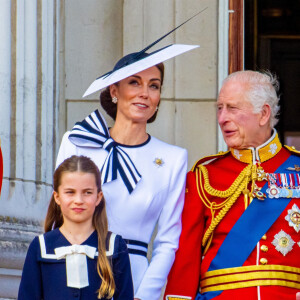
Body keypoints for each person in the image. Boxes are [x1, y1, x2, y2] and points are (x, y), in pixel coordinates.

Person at [55, 43, 194, 300]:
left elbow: (168, 242)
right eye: (134, 82)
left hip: (134, 278)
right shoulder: (76, 142)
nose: (145, 93)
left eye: (154, 85)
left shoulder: (174, 158)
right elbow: (56, 219)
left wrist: (145, 295)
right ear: (114, 90)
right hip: (75, 269)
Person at [164, 70, 300, 300]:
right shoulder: (203, 176)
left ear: (264, 114)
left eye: (233, 108)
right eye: (220, 108)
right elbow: (184, 260)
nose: (222, 118)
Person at [18, 155, 133, 300]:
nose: (79, 200)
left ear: (98, 197)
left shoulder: (114, 246)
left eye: (87, 192)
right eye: (70, 192)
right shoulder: (40, 246)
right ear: (57, 197)